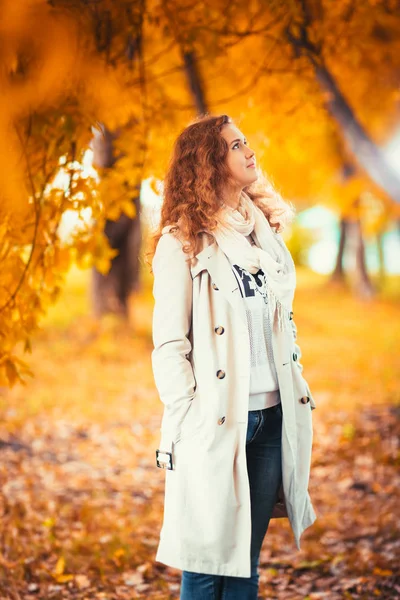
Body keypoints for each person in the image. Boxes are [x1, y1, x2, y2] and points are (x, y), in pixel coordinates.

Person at [147, 114, 317, 600]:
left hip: (270, 417)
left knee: (244, 564)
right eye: (235, 144)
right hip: (217, 422)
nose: (249, 150)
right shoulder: (182, 242)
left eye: (246, 141)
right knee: (204, 566)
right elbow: (169, 346)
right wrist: (191, 414)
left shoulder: (263, 236)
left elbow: (280, 320)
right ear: (209, 162)